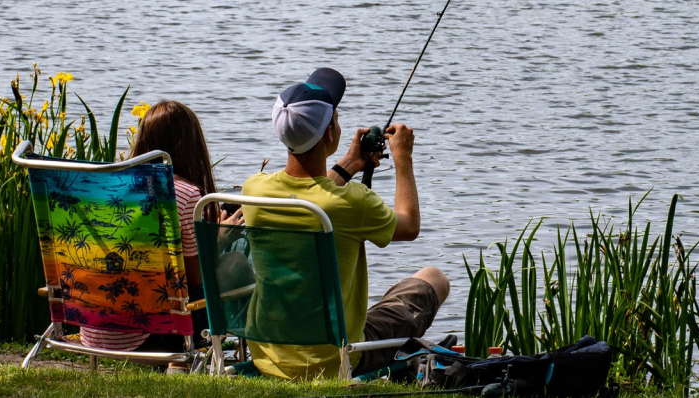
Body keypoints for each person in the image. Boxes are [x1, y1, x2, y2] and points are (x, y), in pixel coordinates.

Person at [242, 67, 450, 379]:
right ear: (329, 134)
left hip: (270, 354)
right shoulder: (352, 202)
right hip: (335, 358)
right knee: (434, 278)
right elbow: (409, 226)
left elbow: (313, 196)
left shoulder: (255, 190)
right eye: (336, 119)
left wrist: (351, 164)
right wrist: (403, 158)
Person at [79, 100, 234, 372]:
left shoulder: (111, 186)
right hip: (149, 336)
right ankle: (185, 363)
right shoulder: (185, 195)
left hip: (95, 328)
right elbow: (197, 279)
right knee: (228, 274)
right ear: (193, 145)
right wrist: (219, 239)